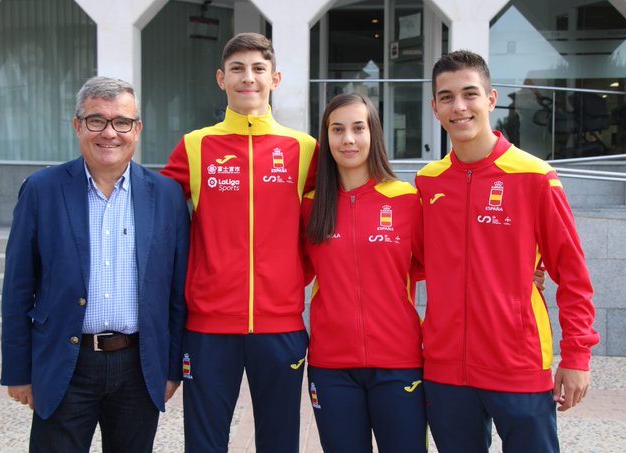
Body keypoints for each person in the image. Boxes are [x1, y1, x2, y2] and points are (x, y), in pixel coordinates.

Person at [415, 50, 600, 452]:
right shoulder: (427, 183)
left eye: (470, 94)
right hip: (446, 369)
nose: (459, 107)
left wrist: (577, 356)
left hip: (518, 364)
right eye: (446, 97)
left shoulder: (534, 176)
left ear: (491, 99)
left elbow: (572, 272)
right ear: (434, 107)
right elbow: (409, 261)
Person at [0, 76, 190, 452]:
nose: (110, 133)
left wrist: (172, 369)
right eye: (96, 120)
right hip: (66, 364)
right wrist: (18, 373)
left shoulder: (167, 195)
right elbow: (18, 288)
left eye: (122, 121)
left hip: (139, 367)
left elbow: (176, 292)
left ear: (137, 129)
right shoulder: (42, 190)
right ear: (77, 125)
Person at [161, 32, 318, 452]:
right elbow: (157, 218)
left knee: (280, 439)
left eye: (258, 69)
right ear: (221, 78)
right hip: (209, 327)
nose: (248, 78)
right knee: (205, 441)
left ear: (275, 78)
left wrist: (294, 275)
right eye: (237, 69)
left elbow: (325, 227)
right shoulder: (196, 145)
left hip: (281, 324)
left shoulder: (304, 149)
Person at [301, 92, 426, 452]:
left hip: (399, 363)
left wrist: (525, 271)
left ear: (374, 134)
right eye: (337, 130)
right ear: (326, 139)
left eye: (358, 128)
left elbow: (442, 264)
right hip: (331, 366)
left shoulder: (406, 200)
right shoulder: (310, 206)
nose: (348, 139)